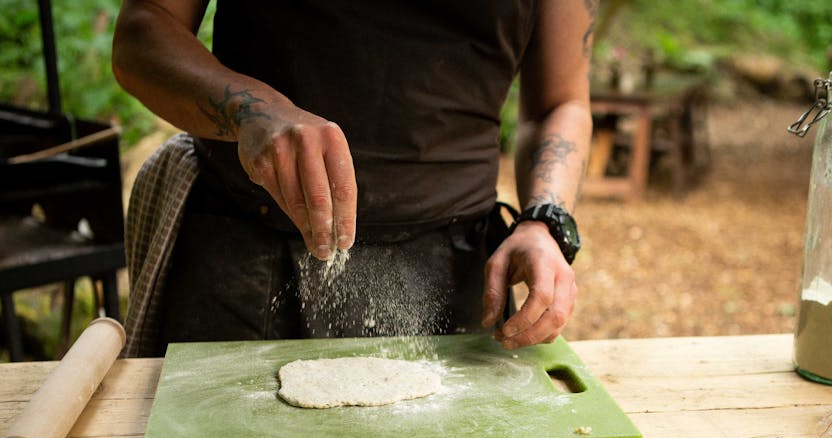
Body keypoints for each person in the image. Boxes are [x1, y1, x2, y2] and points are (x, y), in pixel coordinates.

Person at [112, 0, 596, 357]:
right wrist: (252, 110)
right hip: (246, 257)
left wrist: (543, 222)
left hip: (456, 273)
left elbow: (562, 102)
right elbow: (144, 30)